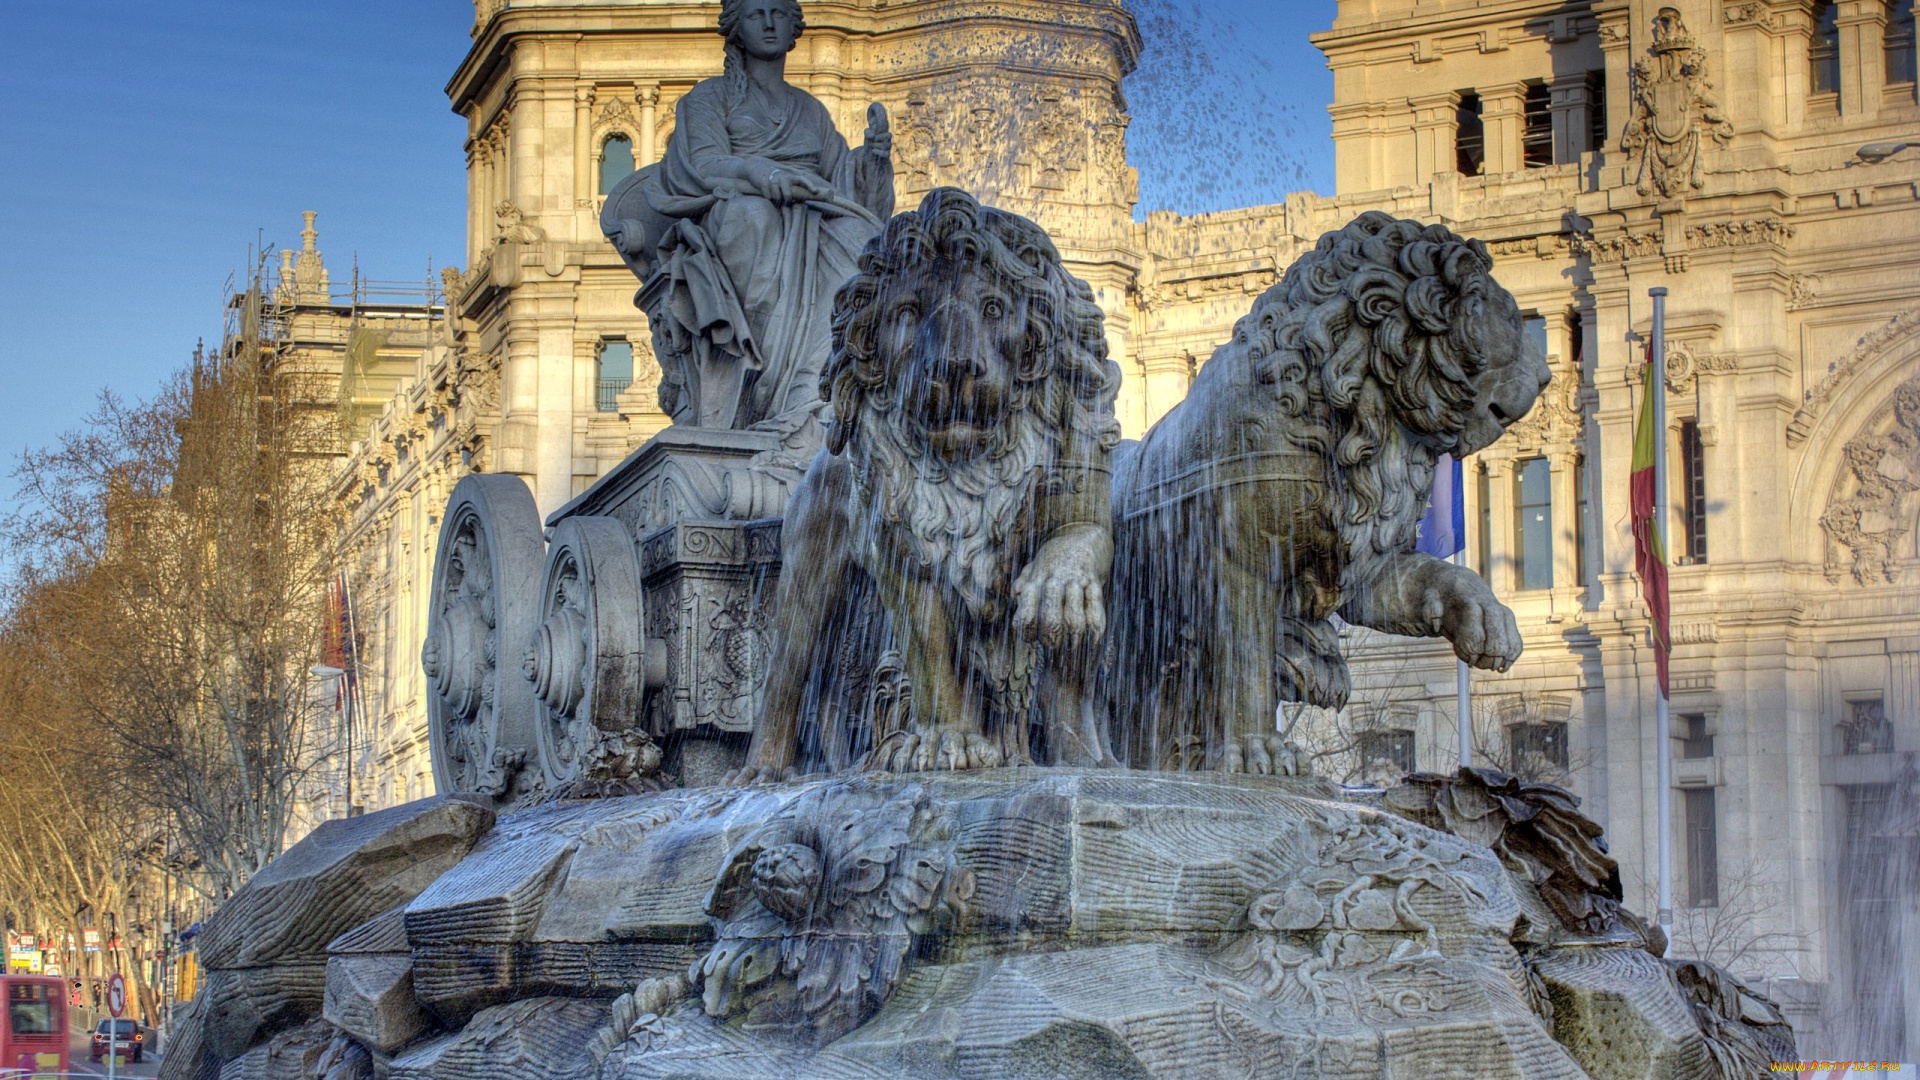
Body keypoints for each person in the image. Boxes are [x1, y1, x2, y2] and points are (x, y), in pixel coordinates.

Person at [605, 0, 894, 432]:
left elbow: (842, 184)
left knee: (861, 239)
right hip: (735, 211)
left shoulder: (810, 110)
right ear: (737, 28)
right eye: (757, 14)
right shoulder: (707, 98)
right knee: (753, 218)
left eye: (779, 13)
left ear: (794, 27)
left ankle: (812, 384)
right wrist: (763, 174)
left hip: (811, 218)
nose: (770, 24)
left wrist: (872, 159)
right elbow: (703, 164)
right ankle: (758, 385)